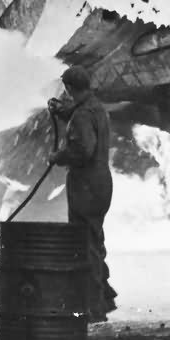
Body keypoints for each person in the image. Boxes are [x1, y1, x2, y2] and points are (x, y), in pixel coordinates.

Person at [48, 65, 116, 318]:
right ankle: (102, 302)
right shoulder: (95, 108)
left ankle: (94, 309)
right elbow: (84, 124)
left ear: (69, 87)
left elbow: (83, 149)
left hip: (86, 186)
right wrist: (62, 113)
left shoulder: (82, 115)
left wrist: (57, 156)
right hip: (100, 184)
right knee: (94, 242)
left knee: (84, 245)